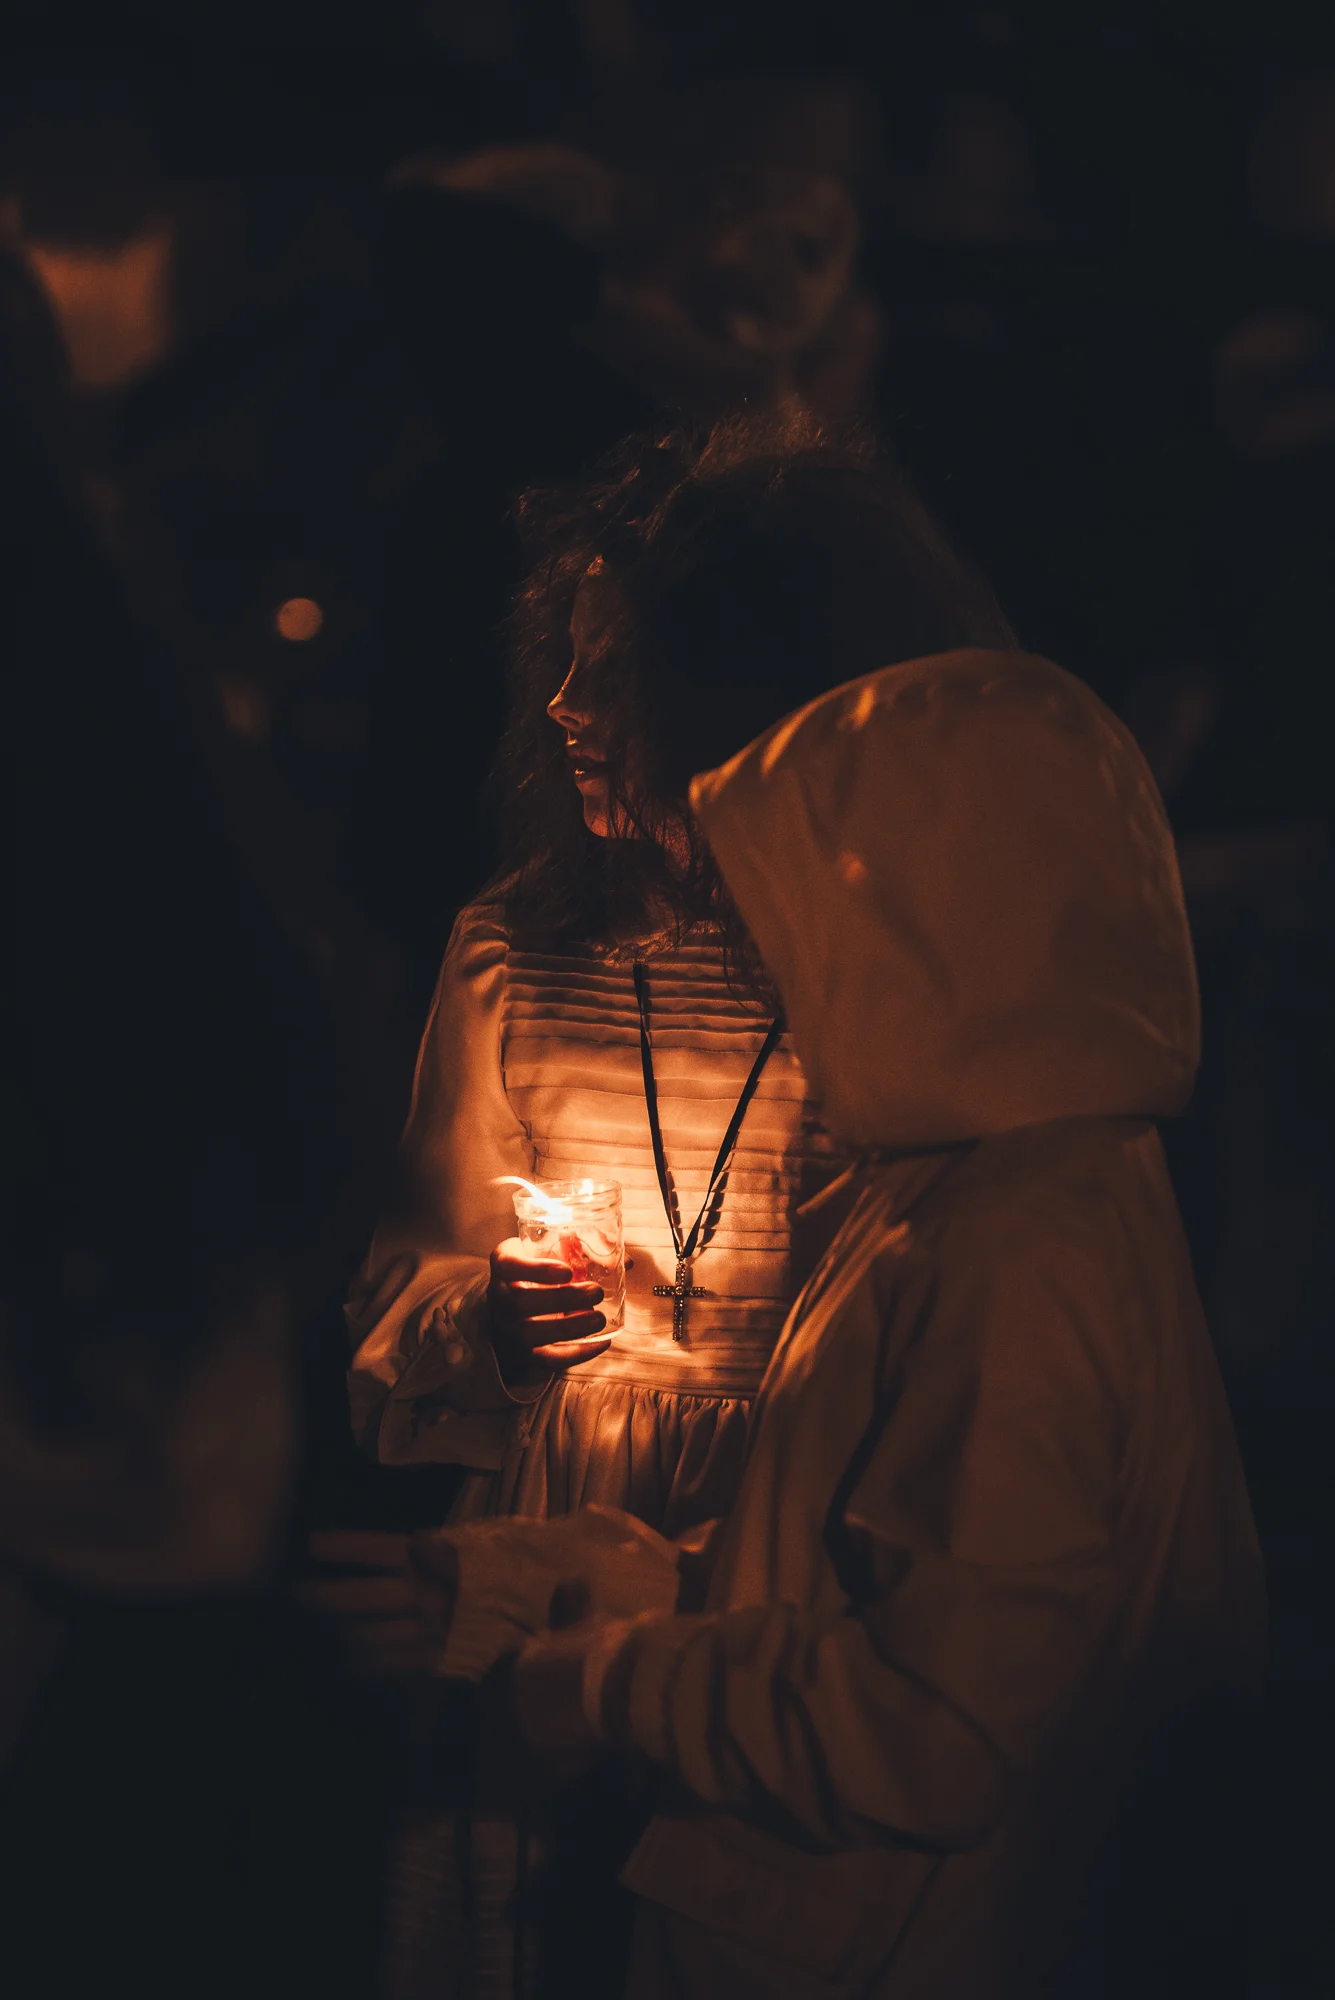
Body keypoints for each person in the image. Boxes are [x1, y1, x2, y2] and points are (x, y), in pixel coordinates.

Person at [330, 414, 1017, 1996]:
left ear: (761, 691)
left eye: (618, 669)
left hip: (787, 1529)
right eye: (561, 661)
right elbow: (400, 1288)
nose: (566, 708)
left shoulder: (892, 971)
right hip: (540, 1528)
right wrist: (495, 1323)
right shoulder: (518, 948)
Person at [466, 646, 1262, 1997]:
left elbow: (935, 1723)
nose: (777, 955)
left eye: (806, 906)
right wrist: (571, 1583)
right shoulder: (968, 1182)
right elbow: (866, 1563)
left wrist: (610, 1689)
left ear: (934, 912)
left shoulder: (1022, 1237)